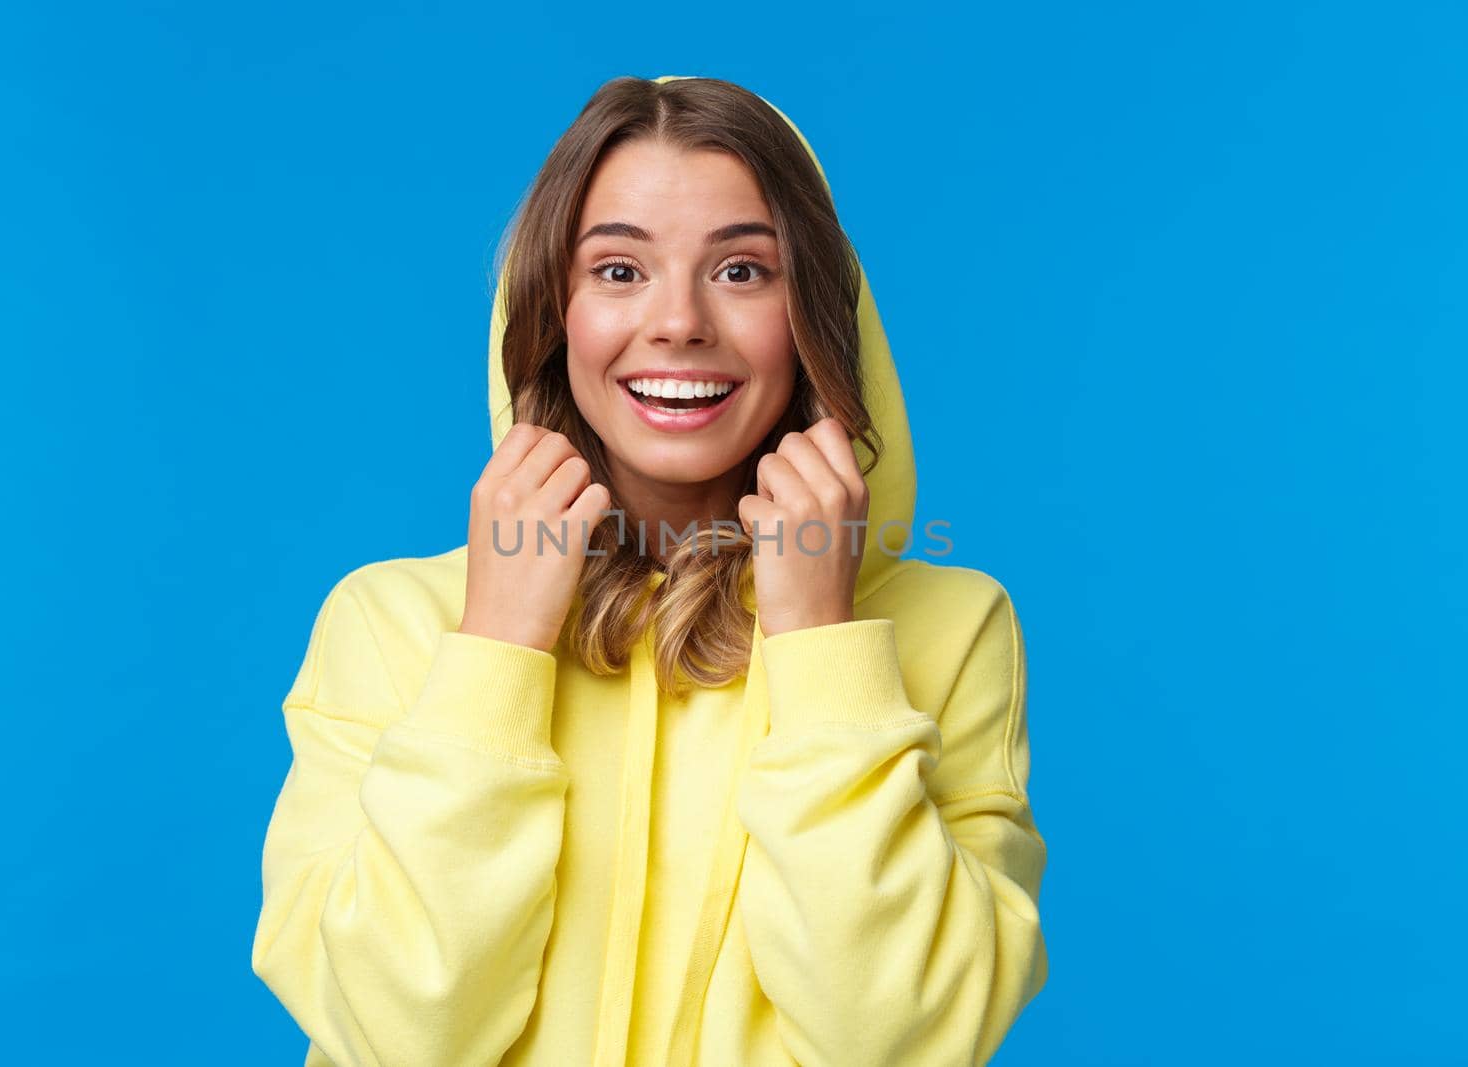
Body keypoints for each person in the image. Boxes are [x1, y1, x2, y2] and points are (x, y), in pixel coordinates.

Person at [250, 74, 1049, 1067]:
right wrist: (495, 650)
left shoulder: (952, 626)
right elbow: (398, 1033)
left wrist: (820, 645)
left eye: (742, 271)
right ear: (554, 309)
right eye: (620, 270)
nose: (678, 322)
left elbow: (898, 1039)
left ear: (814, 314)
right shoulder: (391, 622)